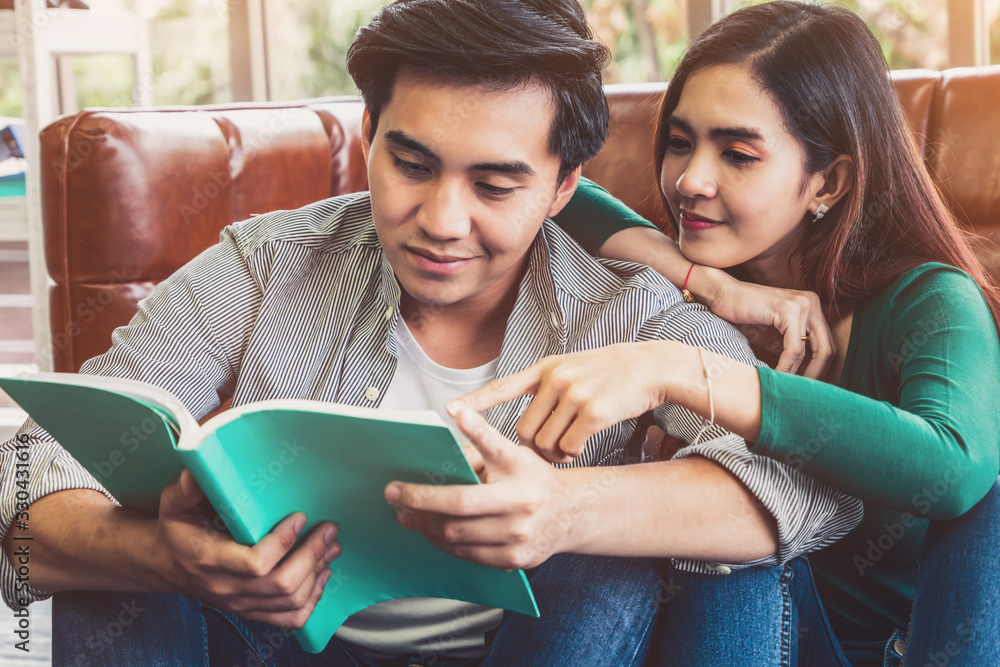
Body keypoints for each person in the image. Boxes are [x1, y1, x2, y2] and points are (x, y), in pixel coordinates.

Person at [0, 0, 862, 665]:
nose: (441, 221)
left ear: (564, 187)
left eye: (496, 184)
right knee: (112, 573)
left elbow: (810, 492)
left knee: (611, 558)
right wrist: (162, 557)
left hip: (532, 645)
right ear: (369, 135)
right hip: (274, 638)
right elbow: (28, 473)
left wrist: (564, 511)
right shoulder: (268, 265)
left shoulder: (628, 313)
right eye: (411, 164)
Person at [448, 2, 1000, 665]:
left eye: (736, 153)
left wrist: (681, 372)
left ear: (828, 180)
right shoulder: (690, 289)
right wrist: (707, 282)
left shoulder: (929, 300)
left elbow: (958, 469)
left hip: (886, 648)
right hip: (728, 632)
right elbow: (561, 193)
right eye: (680, 142)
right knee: (702, 518)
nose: (690, 179)